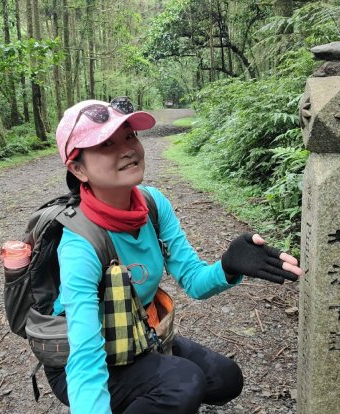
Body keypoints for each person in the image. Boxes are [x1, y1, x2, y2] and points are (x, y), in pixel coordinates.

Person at [44, 97, 303, 414]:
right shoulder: (80, 245)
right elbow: (85, 356)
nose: (127, 149)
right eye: (105, 144)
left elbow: (193, 281)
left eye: (129, 136)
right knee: (183, 384)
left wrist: (229, 265)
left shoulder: (152, 203)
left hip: (137, 336)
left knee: (225, 379)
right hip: (83, 358)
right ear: (78, 168)